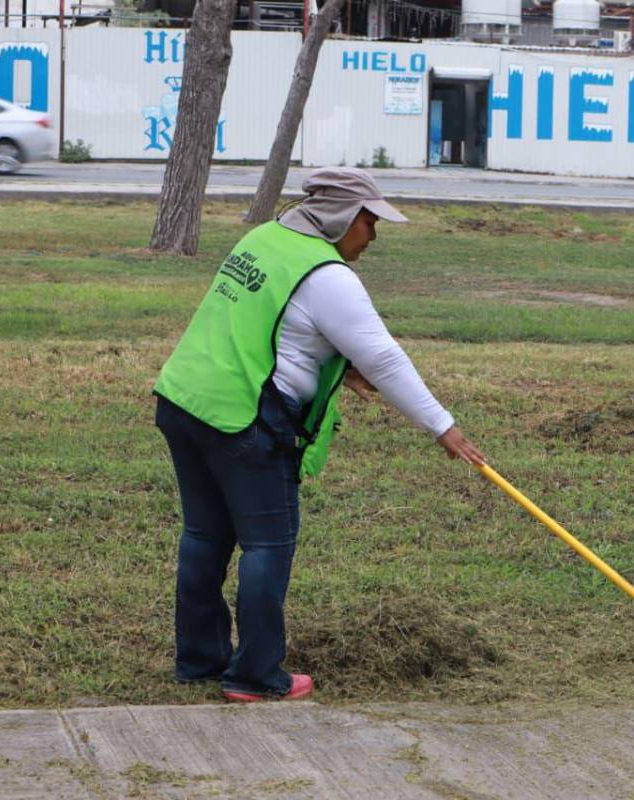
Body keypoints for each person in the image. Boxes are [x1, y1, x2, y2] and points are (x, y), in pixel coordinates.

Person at [153, 167, 485, 703]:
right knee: (267, 544)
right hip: (244, 420)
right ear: (341, 218)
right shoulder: (328, 275)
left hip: (186, 402)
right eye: (369, 222)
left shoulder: (264, 237)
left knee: (205, 538)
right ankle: (256, 676)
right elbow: (383, 358)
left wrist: (334, 368)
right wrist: (442, 427)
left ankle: (200, 660)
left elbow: (275, 322)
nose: (372, 236)